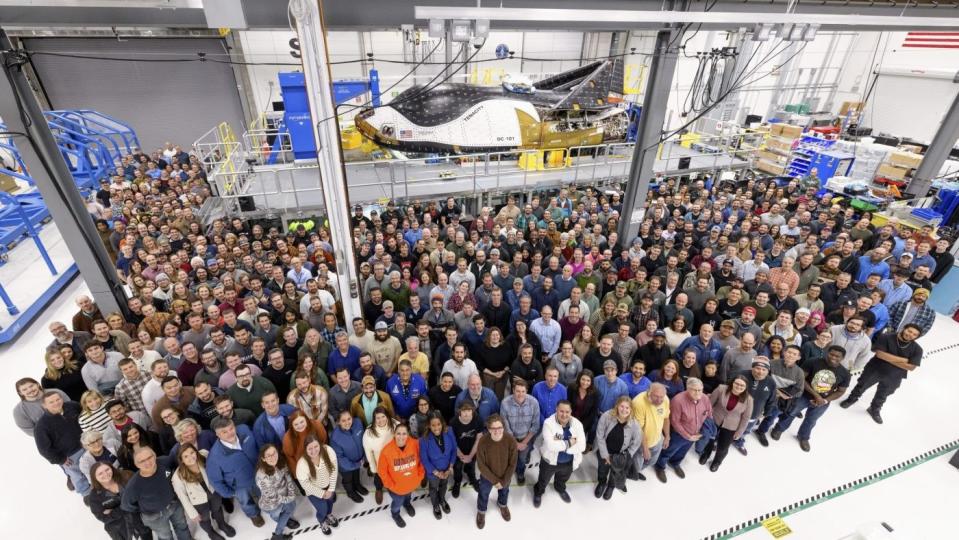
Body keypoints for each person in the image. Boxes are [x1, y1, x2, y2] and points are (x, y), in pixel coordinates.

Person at [770, 345, 850, 451]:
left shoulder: (845, 373)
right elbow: (802, 379)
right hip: (805, 395)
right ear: (827, 352)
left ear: (842, 358)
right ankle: (779, 428)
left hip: (823, 401)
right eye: (831, 354)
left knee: (811, 420)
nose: (833, 357)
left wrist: (825, 400)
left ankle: (803, 437)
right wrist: (816, 395)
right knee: (791, 412)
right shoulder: (813, 361)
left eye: (837, 356)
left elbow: (841, 391)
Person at [840, 323, 923, 424]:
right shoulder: (886, 337)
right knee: (862, 385)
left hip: (895, 376)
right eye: (909, 331)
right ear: (904, 329)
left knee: (884, 394)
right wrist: (904, 360)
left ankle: (874, 409)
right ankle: (852, 399)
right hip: (875, 369)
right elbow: (879, 354)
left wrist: (888, 357)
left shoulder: (917, 349)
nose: (910, 335)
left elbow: (911, 367)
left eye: (914, 335)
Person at [120, 446, 192, 540]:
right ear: (136, 464)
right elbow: (126, 505)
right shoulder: (134, 485)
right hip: (154, 516)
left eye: (149, 457)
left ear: (154, 456)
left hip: (174, 504)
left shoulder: (164, 461)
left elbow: (176, 466)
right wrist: (144, 507)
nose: (147, 462)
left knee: (182, 526)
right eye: (142, 461)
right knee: (165, 536)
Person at [206, 417, 265, 527]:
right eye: (224, 432)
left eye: (231, 428)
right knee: (246, 502)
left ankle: (268, 505)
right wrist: (228, 493)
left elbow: (258, 442)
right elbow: (215, 480)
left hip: (259, 474)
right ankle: (254, 515)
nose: (230, 433)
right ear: (217, 435)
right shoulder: (214, 457)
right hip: (239, 486)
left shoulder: (244, 430)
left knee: (264, 492)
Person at [172, 443, 236, 540]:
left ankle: (222, 525)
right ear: (182, 460)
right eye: (186, 456)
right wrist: (192, 513)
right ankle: (210, 533)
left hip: (213, 492)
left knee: (217, 509)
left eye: (192, 452)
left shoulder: (204, 456)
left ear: (196, 451)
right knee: (204, 518)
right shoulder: (178, 476)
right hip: (198, 501)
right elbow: (182, 496)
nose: (190, 457)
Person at [653, 377, 711, 483]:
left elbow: (708, 412)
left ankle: (675, 463)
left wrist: (703, 431)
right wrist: (688, 436)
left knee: (683, 450)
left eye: (700, 390)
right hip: (679, 434)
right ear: (687, 389)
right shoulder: (678, 400)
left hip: (696, 433)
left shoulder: (705, 398)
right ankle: (660, 466)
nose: (698, 392)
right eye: (694, 389)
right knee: (669, 451)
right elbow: (675, 422)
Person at [34, 391, 91, 497]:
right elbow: (44, 449)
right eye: (51, 402)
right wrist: (61, 459)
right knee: (77, 475)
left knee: (93, 466)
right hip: (69, 456)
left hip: (87, 445)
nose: (56, 403)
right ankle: (86, 494)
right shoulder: (42, 425)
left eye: (58, 399)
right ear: (44, 405)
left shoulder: (72, 406)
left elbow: (86, 415)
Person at [533, 400, 586, 507]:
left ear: (571, 412)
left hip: (569, 461)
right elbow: (551, 446)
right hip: (550, 461)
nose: (564, 414)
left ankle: (560, 488)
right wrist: (570, 442)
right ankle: (539, 492)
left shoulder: (577, 424)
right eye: (561, 411)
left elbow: (582, 446)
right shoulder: (548, 423)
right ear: (556, 410)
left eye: (567, 412)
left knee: (563, 479)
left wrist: (563, 447)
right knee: (543, 480)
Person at [700, 375, 754, 471]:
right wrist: (705, 419)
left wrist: (739, 432)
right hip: (715, 419)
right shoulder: (721, 389)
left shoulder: (749, 399)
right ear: (732, 382)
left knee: (723, 447)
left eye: (742, 385)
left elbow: (746, 418)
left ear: (746, 387)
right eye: (736, 383)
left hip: (731, 426)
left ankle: (717, 462)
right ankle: (705, 454)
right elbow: (709, 404)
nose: (738, 386)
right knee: (710, 441)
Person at [595, 395, 643, 500]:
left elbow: (636, 442)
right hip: (605, 452)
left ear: (631, 410)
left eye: (627, 408)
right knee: (602, 469)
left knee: (616, 472)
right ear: (617, 406)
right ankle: (602, 482)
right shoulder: (607, 416)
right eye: (622, 406)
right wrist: (605, 455)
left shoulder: (635, 424)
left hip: (620, 456)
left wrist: (625, 456)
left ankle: (611, 486)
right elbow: (600, 435)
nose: (624, 410)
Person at [474, 414, 517, 529]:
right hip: (487, 477)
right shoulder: (483, 441)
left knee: (504, 492)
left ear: (503, 427)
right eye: (494, 428)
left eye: (500, 428)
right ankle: (481, 511)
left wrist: (504, 480)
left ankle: (502, 504)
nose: (497, 431)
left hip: (505, 476)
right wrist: (494, 480)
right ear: (489, 429)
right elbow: (481, 465)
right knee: (483, 493)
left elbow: (513, 463)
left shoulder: (510, 440)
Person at [378, 423, 425, 528]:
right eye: (398, 433)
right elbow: (382, 471)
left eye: (404, 433)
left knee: (408, 496)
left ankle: (407, 504)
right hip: (396, 488)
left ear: (408, 434)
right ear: (394, 434)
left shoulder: (415, 444)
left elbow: (422, 460)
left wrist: (420, 475)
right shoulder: (386, 451)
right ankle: (395, 513)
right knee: (398, 502)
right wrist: (390, 485)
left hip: (411, 484)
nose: (401, 437)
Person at [88, 462, 151, 540]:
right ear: (94, 477)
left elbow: (142, 492)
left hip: (141, 518)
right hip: (121, 528)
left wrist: (113, 511)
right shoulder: (94, 497)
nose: (105, 474)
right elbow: (103, 517)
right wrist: (126, 505)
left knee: (146, 535)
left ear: (111, 468)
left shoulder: (126, 475)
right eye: (100, 473)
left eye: (107, 469)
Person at [296, 435, 341, 535]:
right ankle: (322, 521)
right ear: (305, 449)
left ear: (320, 445)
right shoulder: (302, 464)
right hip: (313, 492)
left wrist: (331, 489)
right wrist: (322, 493)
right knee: (322, 508)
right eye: (310, 448)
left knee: (330, 504)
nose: (314, 450)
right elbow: (305, 484)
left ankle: (329, 515)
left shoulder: (328, 451)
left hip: (329, 487)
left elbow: (334, 470)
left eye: (316, 446)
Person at [255, 444, 301, 540]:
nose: (273, 457)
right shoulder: (261, 477)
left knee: (291, 507)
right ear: (263, 459)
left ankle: (285, 523)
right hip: (271, 504)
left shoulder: (281, 463)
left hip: (284, 495)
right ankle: (277, 535)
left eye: (274, 453)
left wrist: (291, 493)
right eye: (268, 455)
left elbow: (288, 477)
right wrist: (290, 498)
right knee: (277, 516)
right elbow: (274, 496)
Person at [499, 379, 540, 485]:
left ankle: (520, 473)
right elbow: (505, 425)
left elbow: (535, 425)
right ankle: (509, 471)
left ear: (526, 391)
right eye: (518, 391)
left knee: (522, 459)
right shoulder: (505, 403)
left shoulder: (534, 403)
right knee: (510, 457)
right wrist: (515, 443)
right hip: (510, 438)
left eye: (523, 391)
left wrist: (524, 443)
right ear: (513, 390)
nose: (520, 394)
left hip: (526, 438)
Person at [419, 411, 457, 519]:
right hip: (433, 472)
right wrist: (436, 472)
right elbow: (424, 459)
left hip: (446, 469)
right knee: (433, 488)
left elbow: (454, 450)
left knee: (444, 485)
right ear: (428, 426)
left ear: (442, 423)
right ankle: (435, 505)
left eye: (438, 424)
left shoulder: (449, 431)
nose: (436, 428)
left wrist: (450, 467)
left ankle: (442, 499)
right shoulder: (424, 440)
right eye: (433, 425)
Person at [629, 383, 669, 481]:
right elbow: (638, 429)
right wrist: (645, 448)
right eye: (656, 397)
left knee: (652, 461)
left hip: (657, 438)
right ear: (649, 392)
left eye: (661, 397)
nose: (659, 400)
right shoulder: (638, 403)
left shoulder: (665, 399)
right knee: (636, 465)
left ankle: (635, 472)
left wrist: (667, 436)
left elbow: (666, 418)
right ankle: (631, 473)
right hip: (641, 442)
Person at [330, 410, 369, 503]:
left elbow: (363, 439)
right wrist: (355, 465)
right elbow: (340, 458)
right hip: (346, 466)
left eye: (349, 419)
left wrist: (363, 458)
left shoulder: (358, 423)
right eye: (343, 421)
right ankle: (350, 492)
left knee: (356, 474)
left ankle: (357, 485)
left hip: (359, 459)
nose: (347, 422)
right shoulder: (335, 437)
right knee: (348, 479)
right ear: (338, 422)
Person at [363, 406, 398, 505]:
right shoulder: (369, 432)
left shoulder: (395, 425)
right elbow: (369, 453)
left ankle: (392, 487)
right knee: (378, 479)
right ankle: (379, 489)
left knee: (393, 477)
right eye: (378, 418)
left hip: (393, 462)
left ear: (387, 416)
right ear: (374, 419)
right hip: (379, 463)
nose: (381, 420)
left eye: (383, 416)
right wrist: (374, 469)